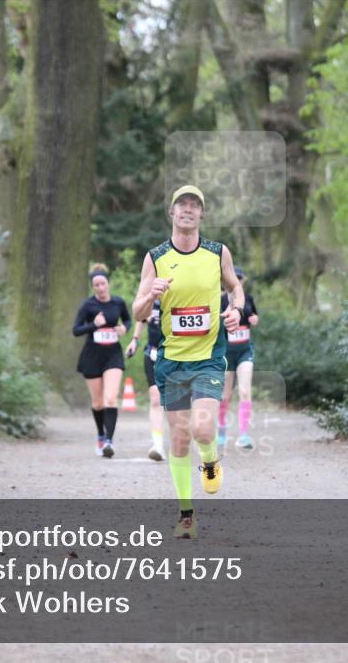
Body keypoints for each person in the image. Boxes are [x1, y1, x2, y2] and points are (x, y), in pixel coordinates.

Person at [133, 185, 245, 539]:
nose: (188, 210)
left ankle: (210, 460)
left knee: (202, 428)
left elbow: (235, 288)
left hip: (209, 358)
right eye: (182, 204)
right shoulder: (155, 258)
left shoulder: (217, 252)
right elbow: (136, 310)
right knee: (179, 440)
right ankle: (186, 517)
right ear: (172, 212)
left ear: (201, 214)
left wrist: (236, 309)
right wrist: (150, 295)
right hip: (171, 362)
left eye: (195, 205)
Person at [73, 264, 132, 458]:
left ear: (108, 284)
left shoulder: (118, 303)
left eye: (102, 283)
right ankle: (100, 434)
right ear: (93, 287)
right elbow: (76, 330)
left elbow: (128, 320)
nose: (100, 287)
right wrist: (93, 325)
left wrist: (124, 328)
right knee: (98, 403)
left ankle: (109, 441)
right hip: (92, 356)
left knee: (110, 399)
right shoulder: (88, 305)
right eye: (96, 285)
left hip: (113, 355)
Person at [218, 267, 260, 450]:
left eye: (241, 278)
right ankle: (220, 433)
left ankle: (243, 436)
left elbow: (254, 315)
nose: (238, 281)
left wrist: (254, 319)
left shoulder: (248, 299)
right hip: (227, 353)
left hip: (245, 350)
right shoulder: (219, 300)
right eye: (235, 278)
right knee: (225, 395)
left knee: (244, 391)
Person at [126, 299, 166, 461]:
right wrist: (135, 340)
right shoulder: (152, 297)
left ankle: (183, 440)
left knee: (177, 402)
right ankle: (158, 445)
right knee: (156, 400)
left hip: (176, 355)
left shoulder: (178, 296)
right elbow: (140, 316)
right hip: (152, 353)